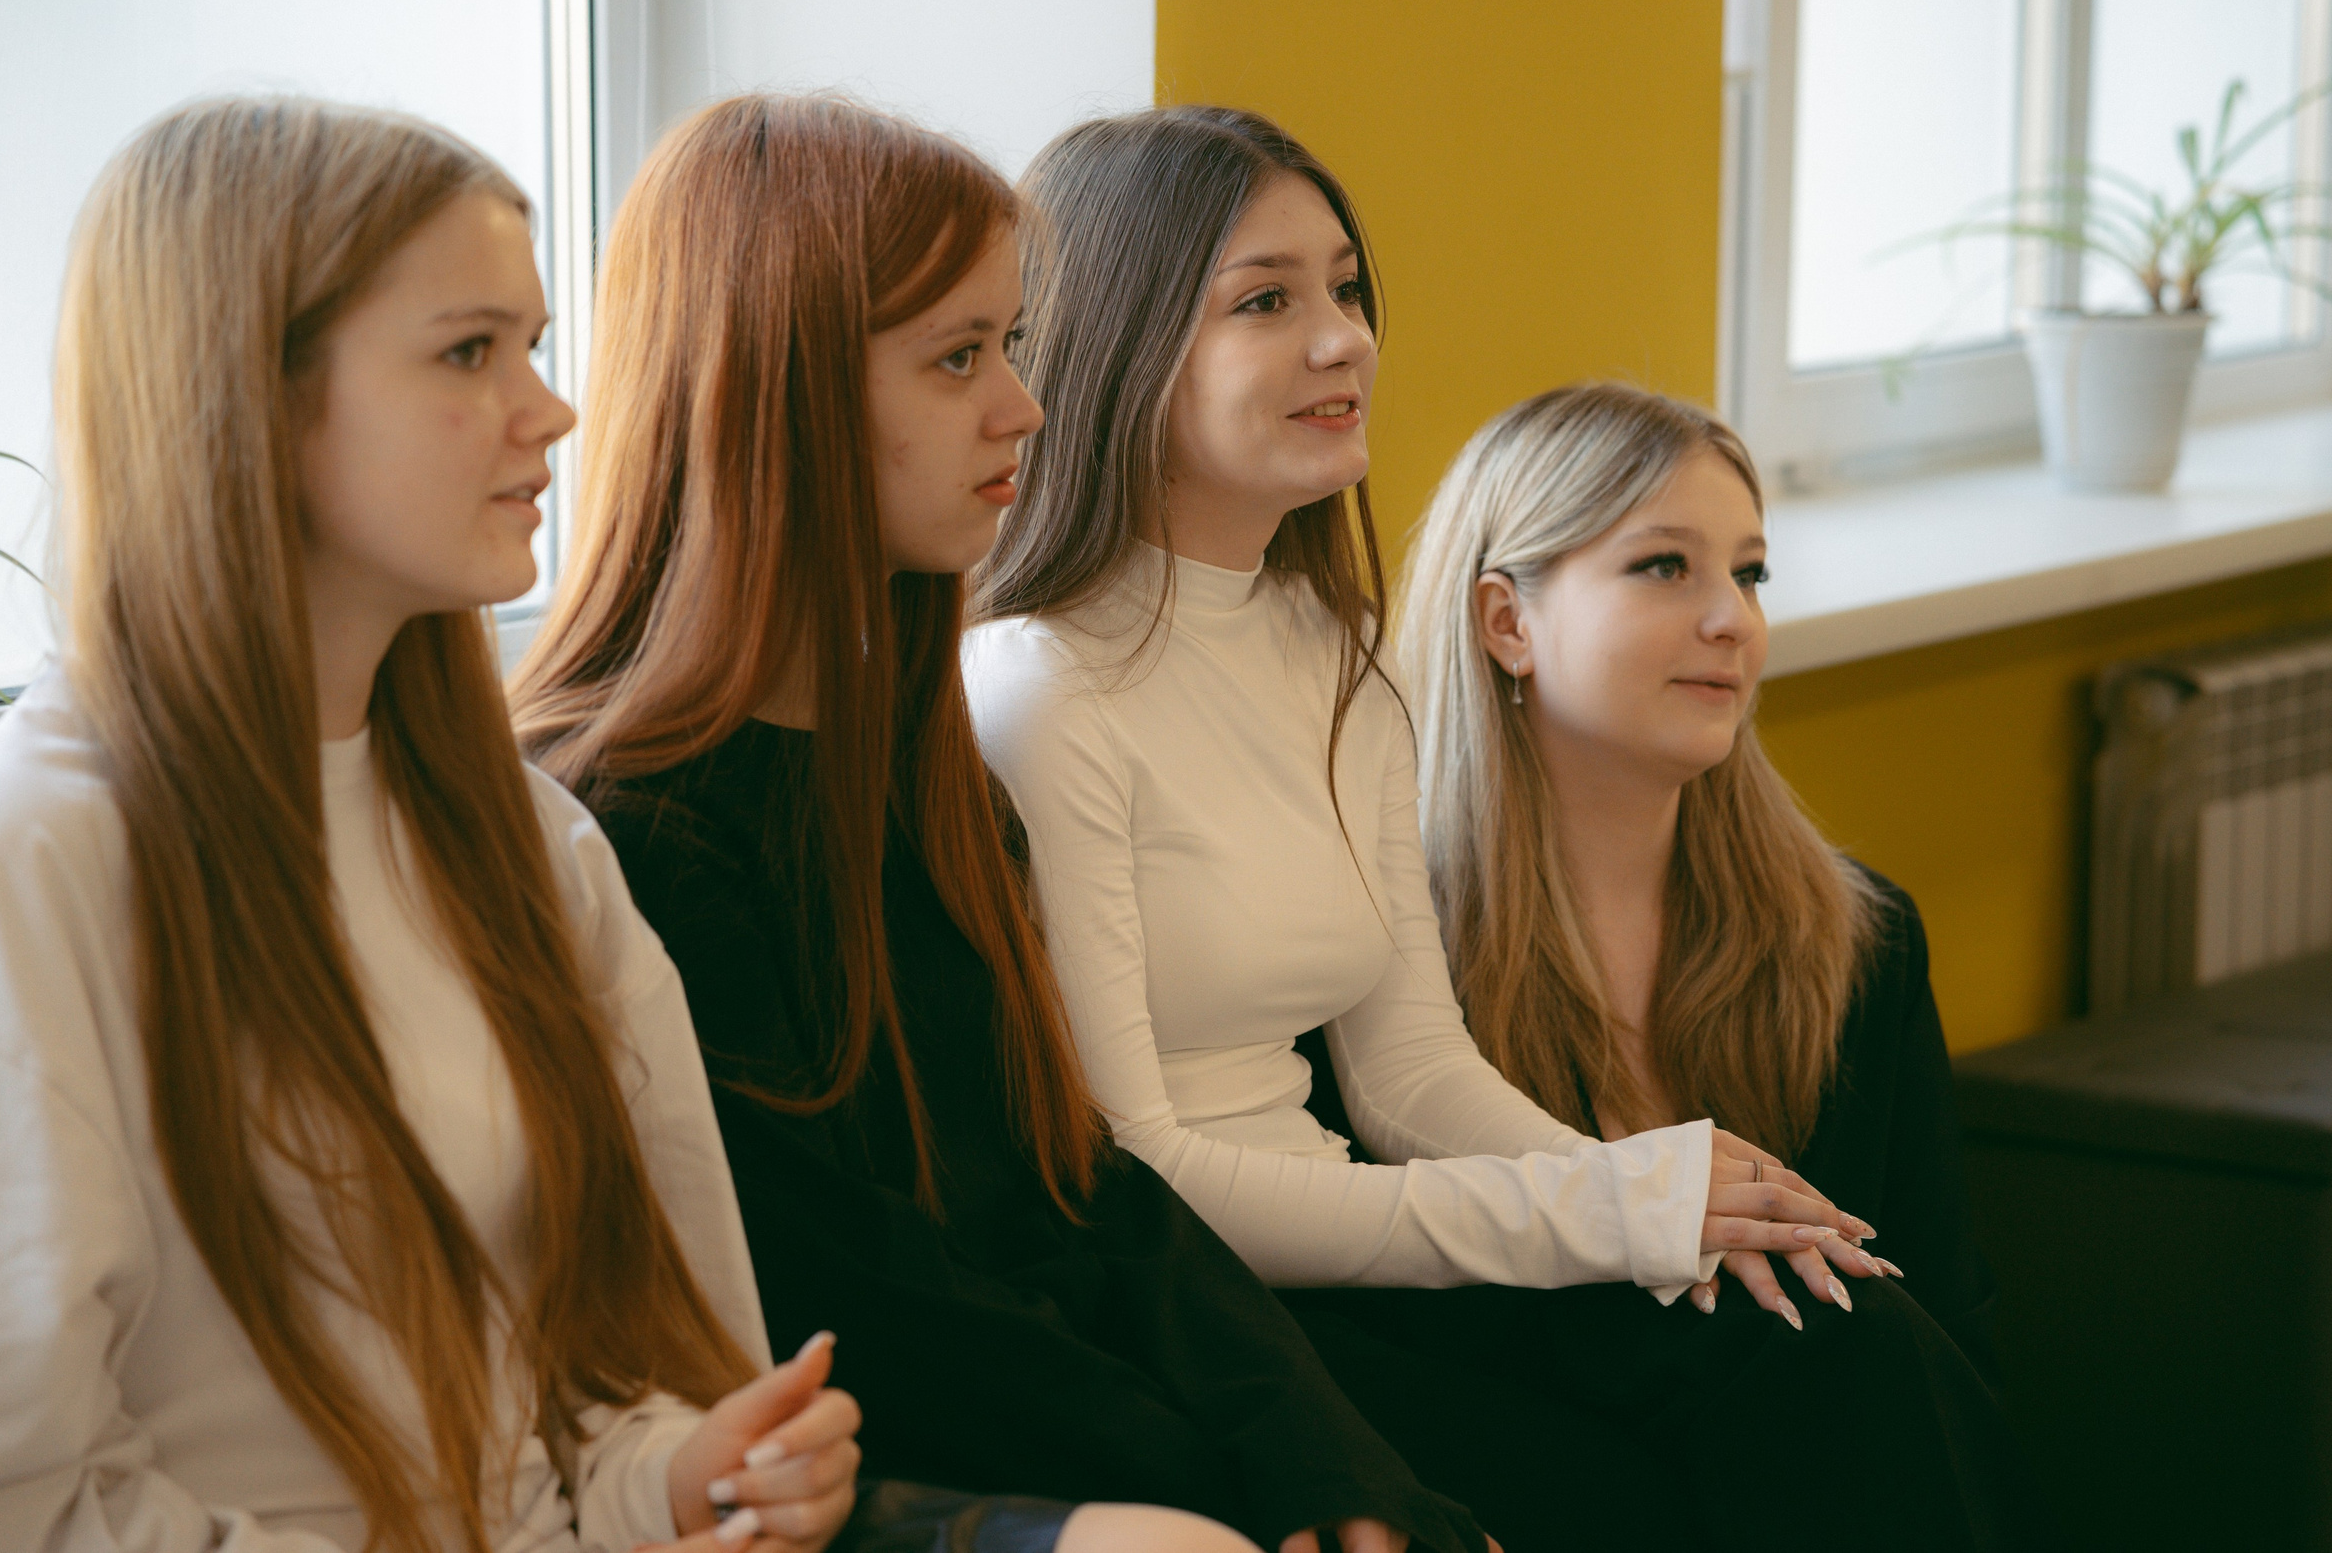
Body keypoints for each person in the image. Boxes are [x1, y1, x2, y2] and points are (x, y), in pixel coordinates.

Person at [965, 106, 2038, 1547]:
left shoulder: (1323, 647)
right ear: (1122, 340)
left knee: (1839, 1328)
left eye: (1345, 290)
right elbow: (1139, 1168)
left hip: (1372, 1258)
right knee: (1687, 1455)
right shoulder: (1040, 688)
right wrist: (1596, 1215)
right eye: (1267, 301)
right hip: (1211, 1315)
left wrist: (1638, 1202)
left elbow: (1411, 1074)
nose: (1344, 339)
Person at [0, 98, 861, 1553]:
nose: (553, 410)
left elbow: (572, 1398)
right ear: (247, 398)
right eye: (471, 351)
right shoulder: (16, 865)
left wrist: (687, 1473)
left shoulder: (527, 848)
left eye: (531, 343)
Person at [508, 94, 1480, 1553]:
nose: (1023, 406)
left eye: (1012, 346)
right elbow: (868, 1309)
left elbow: (1080, 1188)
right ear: (781, 393)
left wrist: (1332, 1475)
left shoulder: (916, 765)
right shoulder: (629, 833)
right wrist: (1220, 1496)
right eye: (961, 358)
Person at [1398, 379, 2002, 1384]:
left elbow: (1948, 1328)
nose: (1732, 619)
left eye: (1751, 573)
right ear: (1506, 622)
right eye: (1665, 566)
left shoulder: (1861, 941)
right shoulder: (1386, 959)